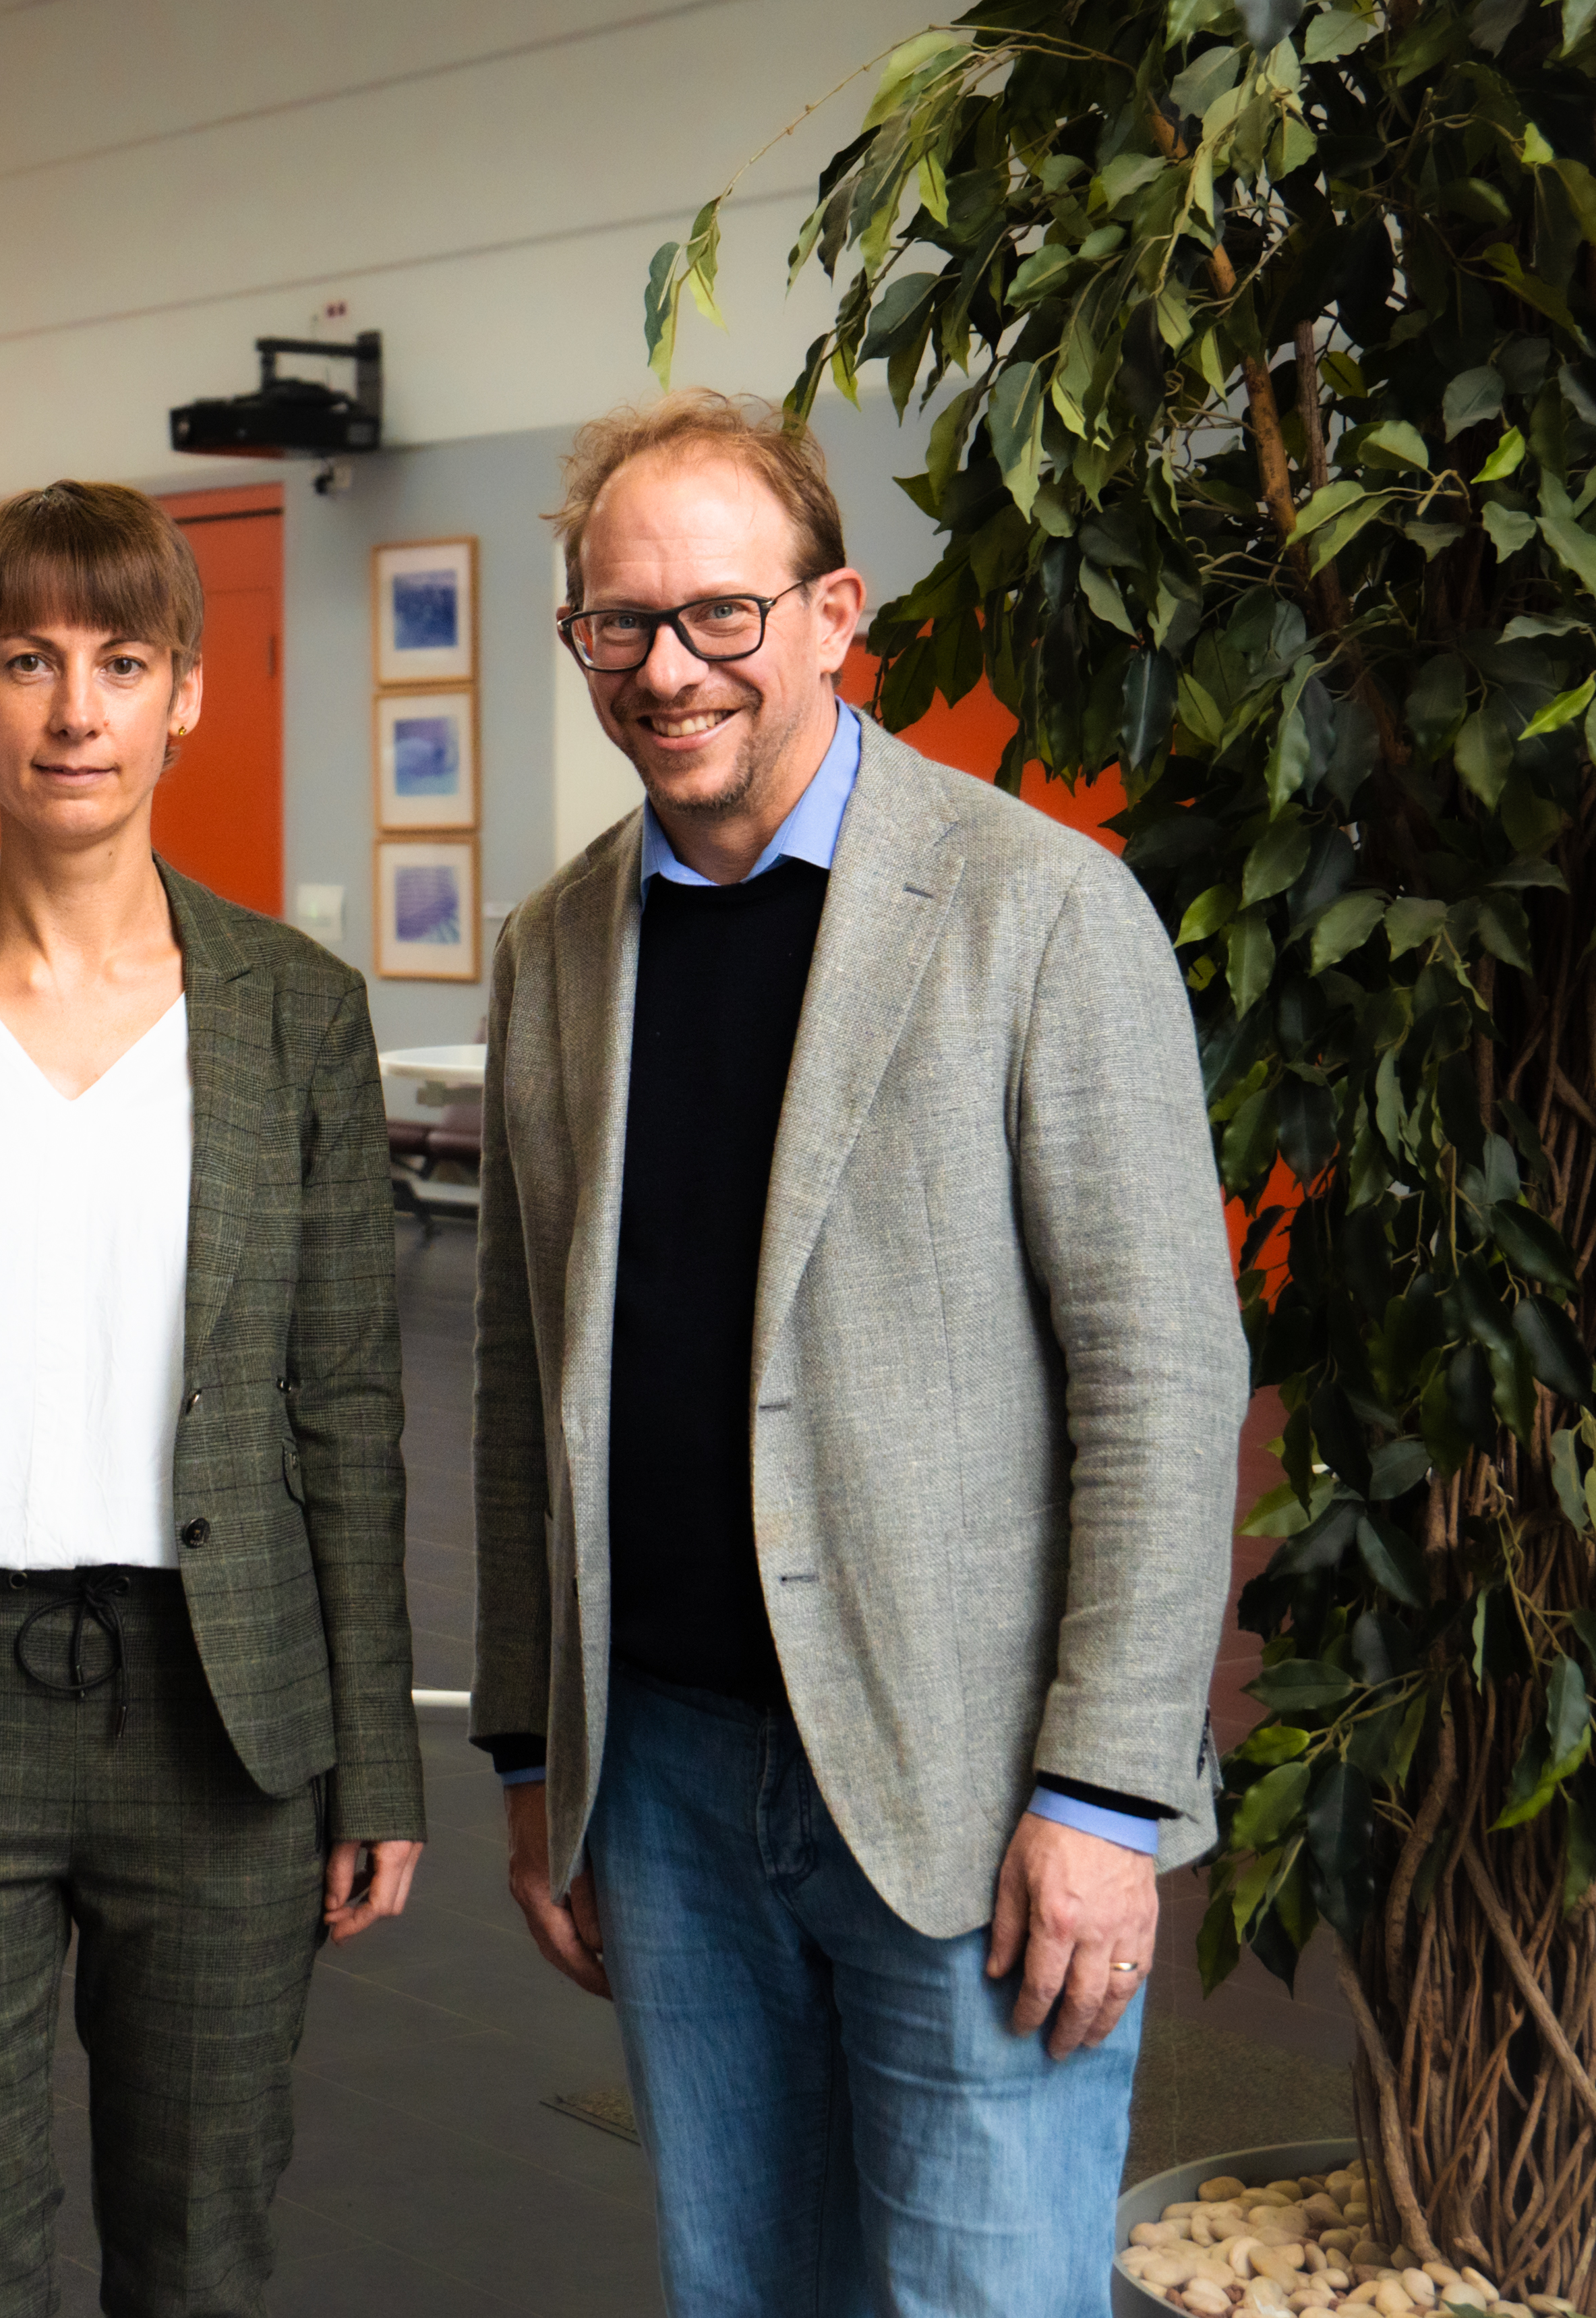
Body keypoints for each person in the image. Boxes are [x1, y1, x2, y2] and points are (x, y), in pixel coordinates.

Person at [468, 393, 1245, 2314]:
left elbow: (1160, 1372)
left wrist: (1099, 1795)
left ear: (832, 614)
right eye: (617, 623)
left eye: (720, 613)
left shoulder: (1035, 908)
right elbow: (516, 1364)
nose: (669, 668)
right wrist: (527, 1746)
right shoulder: (554, 945)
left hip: (970, 1787)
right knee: (741, 2284)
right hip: (655, 1769)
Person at [0, 481, 425, 2318]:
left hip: (219, 1714)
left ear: (183, 691)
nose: (73, 709)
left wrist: (377, 1750)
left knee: (199, 2247)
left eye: (120, 660)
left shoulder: (290, 1010)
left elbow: (343, 1411)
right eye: (27, 659)